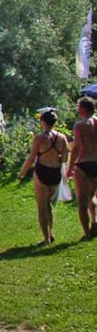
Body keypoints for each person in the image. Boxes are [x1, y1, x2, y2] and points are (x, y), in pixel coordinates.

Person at [18, 108, 68, 246]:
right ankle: (51, 233)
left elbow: (31, 158)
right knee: (48, 205)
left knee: (42, 206)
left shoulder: (40, 138)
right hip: (55, 173)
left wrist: (22, 173)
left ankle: (46, 238)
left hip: (42, 172)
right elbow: (64, 158)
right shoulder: (62, 138)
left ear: (43, 122)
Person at [68, 97, 97, 240]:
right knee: (92, 196)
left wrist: (69, 168)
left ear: (84, 109)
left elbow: (76, 148)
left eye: (78, 107)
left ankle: (87, 233)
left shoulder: (80, 125)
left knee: (82, 202)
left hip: (84, 163)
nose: (77, 109)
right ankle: (94, 222)